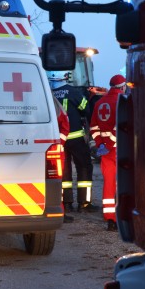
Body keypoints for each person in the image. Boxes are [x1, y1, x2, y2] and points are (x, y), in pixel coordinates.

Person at [49, 72, 99, 214]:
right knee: (84, 167)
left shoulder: (48, 93)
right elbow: (86, 109)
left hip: (58, 140)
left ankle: (67, 204)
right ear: (66, 77)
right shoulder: (73, 92)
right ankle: (84, 203)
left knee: (63, 172)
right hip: (76, 137)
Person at [90, 74, 126, 231]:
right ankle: (121, 218)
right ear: (122, 87)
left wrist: (101, 144)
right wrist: (110, 143)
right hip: (120, 149)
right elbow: (120, 126)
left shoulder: (99, 103)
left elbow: (93, 127)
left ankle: (109, 218)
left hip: (105, 151)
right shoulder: (122, 102)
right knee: (123, 185)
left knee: (108, 184)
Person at [52, 97, 73, 223]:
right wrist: (59, 143)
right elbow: (65, 125)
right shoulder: (52, 102)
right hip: (53, 149)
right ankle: (59, 211)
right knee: (56, 181)